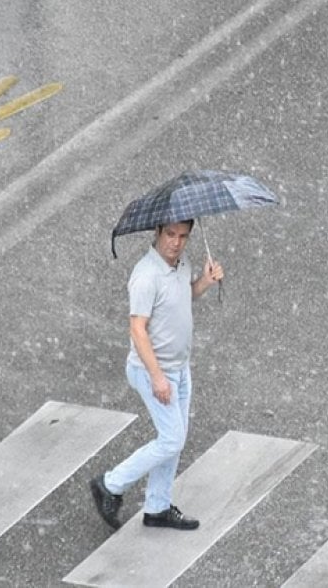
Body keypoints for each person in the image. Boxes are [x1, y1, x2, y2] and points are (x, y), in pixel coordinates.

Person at [89, 219, 223, 531]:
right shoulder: (146, 275)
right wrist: (157, 377)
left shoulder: (181, 263)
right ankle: (110, 484)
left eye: (183, 237)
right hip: (153, 371)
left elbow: (181, 299)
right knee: (172, 439)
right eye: (170, 235)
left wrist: (204, 281)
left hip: (179, 368)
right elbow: (137, 329)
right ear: (158, 233)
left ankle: (158, 506)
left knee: (173, 439)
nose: (176, 243)